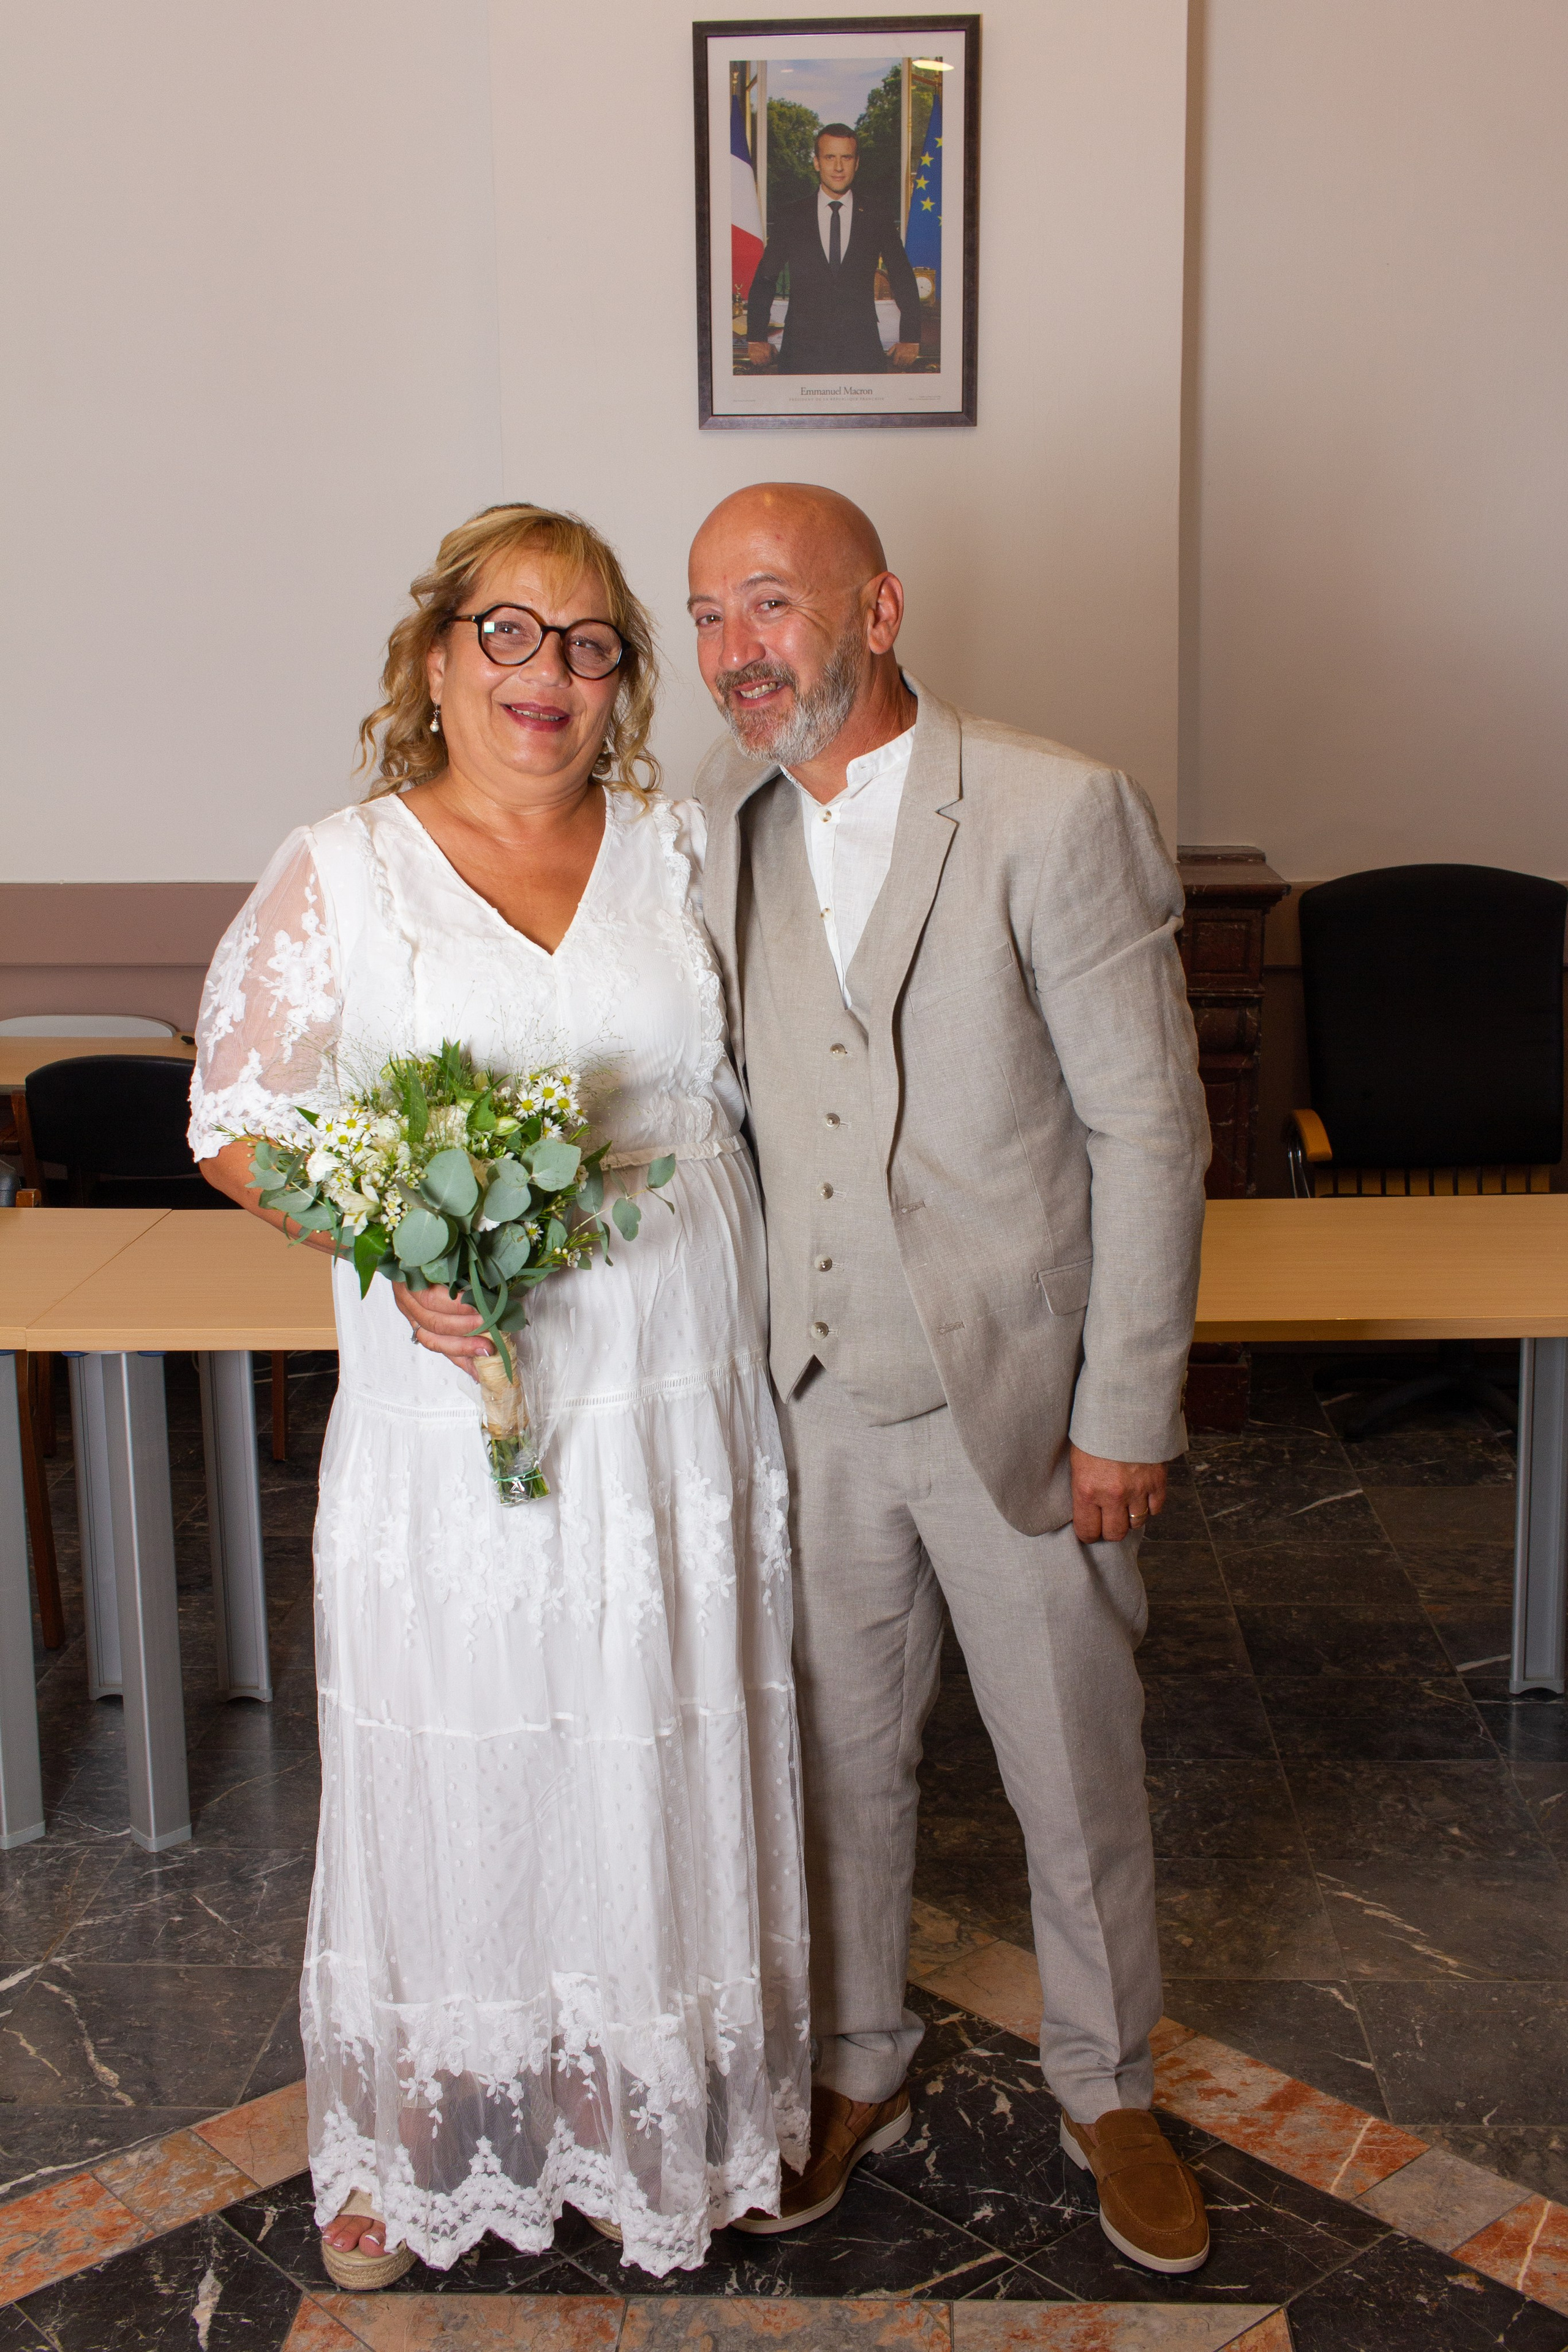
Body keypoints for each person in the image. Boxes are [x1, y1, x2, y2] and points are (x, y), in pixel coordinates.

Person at [405, 483, 1216, 2275]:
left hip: (1022, 1394)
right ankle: (856, 2059)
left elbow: (1151, 1132)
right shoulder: (712, 821)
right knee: (835, 1759)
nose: (732, 653)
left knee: (1070, 1765)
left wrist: (1125, 1407)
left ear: (879, 606)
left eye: (766, 604)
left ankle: (1108, 2083)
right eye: (702, 619)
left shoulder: (1054, 806)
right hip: (808, 1390)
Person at [189, 502, 810, 2283]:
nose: (549, 673)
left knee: (654, 1710)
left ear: (621, 676)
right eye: (510, 631)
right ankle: (413, 2138)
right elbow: (232, 1116)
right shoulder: (346, 865)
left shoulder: (681, 849)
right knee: (458, 1731)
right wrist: (394, 1235)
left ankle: (670, 2114)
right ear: (439, 654)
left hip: (669, 1376)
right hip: (456, 1389)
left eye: (591, 638)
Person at [744, 124, 921, 374]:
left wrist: (911, 338)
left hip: (862, 353)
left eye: (846, 158)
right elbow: (765, 279)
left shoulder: (877, 215)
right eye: (830, 157)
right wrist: (756, 338)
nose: (838, 167)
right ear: (817, 162)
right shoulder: (791, 216)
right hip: (800, 355)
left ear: (857, 163)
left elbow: (902, 276)